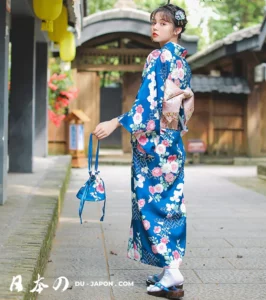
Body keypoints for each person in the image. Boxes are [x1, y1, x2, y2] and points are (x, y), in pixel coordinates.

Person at [93, 2, 194, 299]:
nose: (155, 27)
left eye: (163, 23)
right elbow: (180, 103)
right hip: (171, 141)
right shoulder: (181, 59)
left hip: (154, 143)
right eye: (154, 22)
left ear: (177, 29)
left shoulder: (159, 56)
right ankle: (169, 268)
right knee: (171, 203)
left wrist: (115, 121)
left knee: (152, 204)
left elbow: (148, 103)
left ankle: (174, 275)